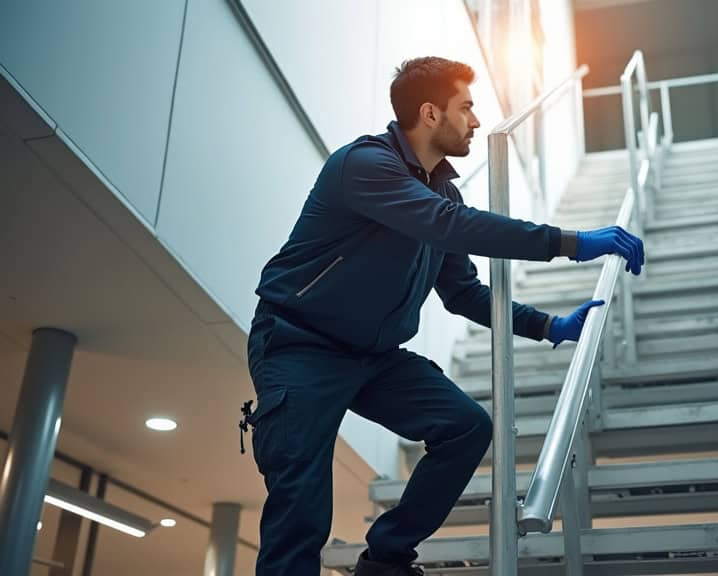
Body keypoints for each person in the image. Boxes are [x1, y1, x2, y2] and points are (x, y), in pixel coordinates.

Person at [243, 56, 644, 576]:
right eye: (468, 107)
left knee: (464, 427)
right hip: (299, 347)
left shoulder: (442, 191)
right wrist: (568, 242)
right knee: (300, 514)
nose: (476, 121)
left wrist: (547, 326)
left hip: (373, 357)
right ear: (430, 113)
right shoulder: (365, 165)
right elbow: (446, 225)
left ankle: (385, 560)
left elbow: (463, 293)